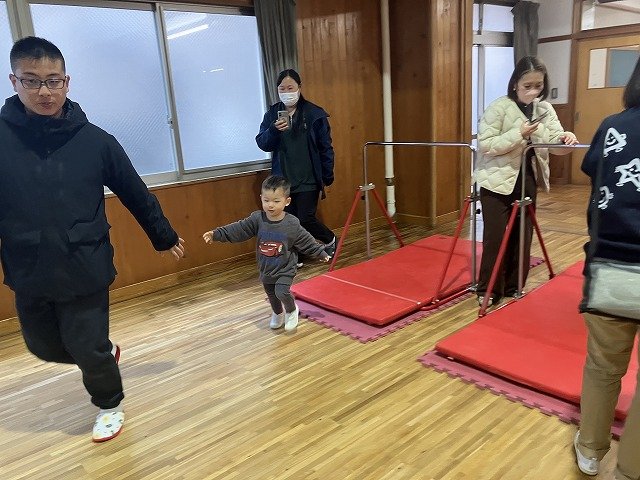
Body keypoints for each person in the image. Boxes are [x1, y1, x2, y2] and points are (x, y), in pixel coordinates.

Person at [1, 37, 185, 442]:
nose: (44, 91)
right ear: (14, 81)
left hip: (84, 262)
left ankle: (109, 404)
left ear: (67, 82)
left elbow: (134, 191)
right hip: (28, 265)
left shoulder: (95, 140)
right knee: (42, 346)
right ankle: (103, 353)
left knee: (86, 346)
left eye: (53, 81)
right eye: (32, 81)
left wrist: (163, 235)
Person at [573, 57, 640, 480]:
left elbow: (593, 172)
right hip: (615, 263)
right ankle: (631, 467)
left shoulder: (614, 126)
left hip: (612, 265)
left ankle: (591, 449)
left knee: (602, 367)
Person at [475, 56, 578, 306]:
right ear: (515, 84)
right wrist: (518, 134)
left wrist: (566, 139)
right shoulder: (499, 107)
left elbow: (554, 141)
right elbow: (485, 145)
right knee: (495, 237)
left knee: (523, 234)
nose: (533, 91)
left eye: (538, 86)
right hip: (496, 180)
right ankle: (488, 289)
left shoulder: (545, 109)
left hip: (527, 178)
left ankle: (514, 286)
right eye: (527, 86)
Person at [203, 175, 329, 332]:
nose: (270, 205)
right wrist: (216, 234)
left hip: (286, 268)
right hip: (266, 267)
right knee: (271, 293)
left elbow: (306, 240)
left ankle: (291, 310)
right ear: (261, 198)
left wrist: (320, 252)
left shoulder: (291, 223)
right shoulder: (258, 219)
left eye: (276, 201)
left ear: (287, 201)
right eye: (266, 200)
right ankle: (278, 313)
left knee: (281, 291)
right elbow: (239, 229)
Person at [255, 69, 336, 265]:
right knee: (288, 220)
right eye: (282, 88)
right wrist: (274, 130)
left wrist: (327, 174)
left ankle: (331, 240)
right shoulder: (272, 114)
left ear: (299, 87)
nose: (286, 92)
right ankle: (295, 255)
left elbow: (326, 148)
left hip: (309, 177)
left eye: (290, 88)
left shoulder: (314, 114)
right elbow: (262, 143)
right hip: (283, 179)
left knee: (305, 218)